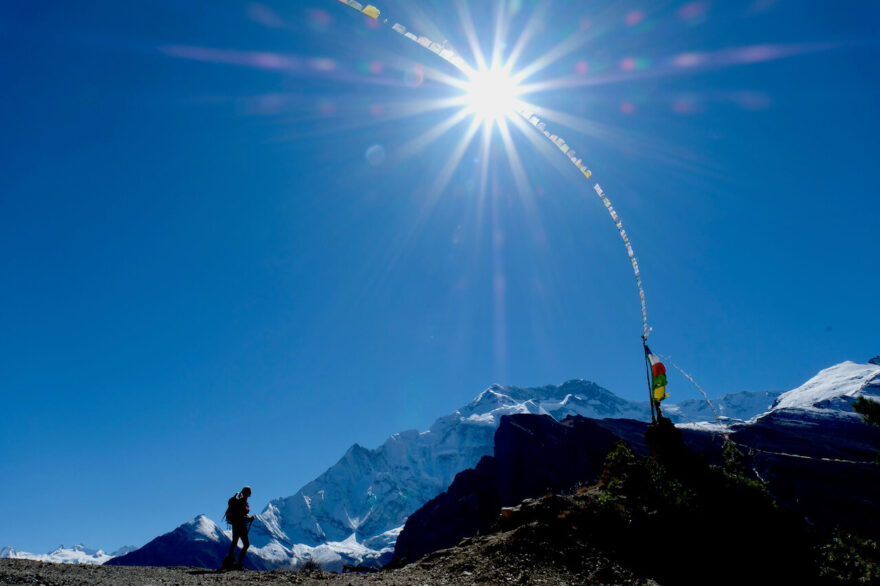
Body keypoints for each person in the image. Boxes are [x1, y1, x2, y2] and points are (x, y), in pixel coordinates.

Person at [223, 486, 255, 570]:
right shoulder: (242, 502)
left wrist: (248, 518)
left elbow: (242, 514)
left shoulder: (242, 502)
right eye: (249, 492)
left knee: (234, 543)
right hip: (240, 525)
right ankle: (238, 564)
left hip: (236, 525)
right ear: (248, 493)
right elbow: (240, 515)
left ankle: (229, 562)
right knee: (246, 544)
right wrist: (249, 519)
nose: (249, 493)